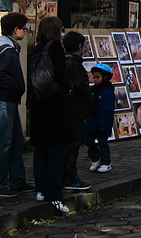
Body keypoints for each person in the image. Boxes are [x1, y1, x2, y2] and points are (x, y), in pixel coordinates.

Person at [0, 12, 32, 198]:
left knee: (16, 141)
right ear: (16, 30)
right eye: (24, 28)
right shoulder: (5, 48)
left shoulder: (9, 46)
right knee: (4, 142)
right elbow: (0, 74)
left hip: (10, 99)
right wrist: (17, 86)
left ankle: (17, 181)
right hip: (4, 99)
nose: (25, 32)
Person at [29, 16, 72, 214]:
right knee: (57, 149)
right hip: (55, 103)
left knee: (41, 148)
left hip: (39, 103)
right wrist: (67, 87)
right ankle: (55, 194)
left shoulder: (37, 48)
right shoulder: (55, 47)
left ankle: (40, 189)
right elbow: (61, 75)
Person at [62, 31, 93, 191]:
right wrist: (91, 101)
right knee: (73, 145)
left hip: (64, 109)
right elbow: (82, 88)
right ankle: (70, 177)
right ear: (80, 46)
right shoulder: (76, 65)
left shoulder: (63, 62)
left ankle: (64, 175)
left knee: (66, 144)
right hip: (75, 110)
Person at [85, 63, 114, 173]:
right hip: (92, 119)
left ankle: (106, 162)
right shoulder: (94, 90)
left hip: (102, 121)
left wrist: (103, 123)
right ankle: (96, 158)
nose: (95, 79)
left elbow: (107, 109)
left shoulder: (107, 92)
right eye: (94, 77)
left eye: (98, 77)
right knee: (87, 139)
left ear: (105, 77)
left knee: (102, 143)